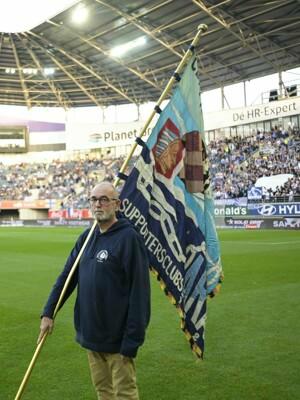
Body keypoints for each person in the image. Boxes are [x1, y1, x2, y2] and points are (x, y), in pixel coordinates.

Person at [38, 181, 151, 400]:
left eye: (104, 199)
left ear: (117, 204)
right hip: (91, 334)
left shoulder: (129, 239)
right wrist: (48, 312)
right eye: (93, 199)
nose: (98, 204)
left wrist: (132, 340)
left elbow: (140, 294)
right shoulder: (86, 238)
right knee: (103, 392)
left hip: (118, 340)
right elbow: (66, 278)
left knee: (124, 394)